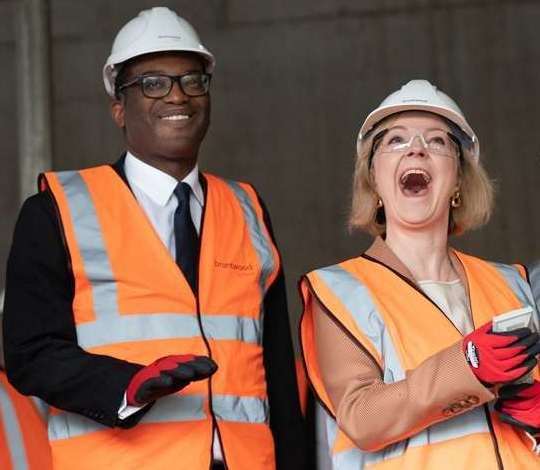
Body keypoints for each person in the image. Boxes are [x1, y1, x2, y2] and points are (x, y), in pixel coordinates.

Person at [2, 7, 307, 470]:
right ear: (119, 107)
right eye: (153, 83)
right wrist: (124, 386)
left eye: (192, 80)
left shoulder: (247, 209)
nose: (177, 95)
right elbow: (31, 354)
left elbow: (278, 376)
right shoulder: (56, 211)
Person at [299, 79, 540, 469]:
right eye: (395, 140)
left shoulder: (512, 283)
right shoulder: (340, 291)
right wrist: (468, 364)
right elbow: (362, 418)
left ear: (459, 179)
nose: (416, 148)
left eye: (438, 142)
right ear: (373, 178)